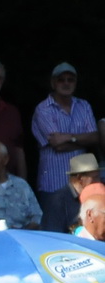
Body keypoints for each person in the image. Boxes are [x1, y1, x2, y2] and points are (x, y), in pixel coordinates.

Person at [32, 62, 98, 231]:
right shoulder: (43, 109)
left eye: (70, 79)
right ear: (53, 83)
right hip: (52, 185)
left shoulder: (84, 106)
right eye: (61, 80)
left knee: (81, 233)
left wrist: (69, 137)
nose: (66, 83)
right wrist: (82, 139)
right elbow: (57, 145)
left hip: (81, 187)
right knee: (52, 235)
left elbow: (95, 138)